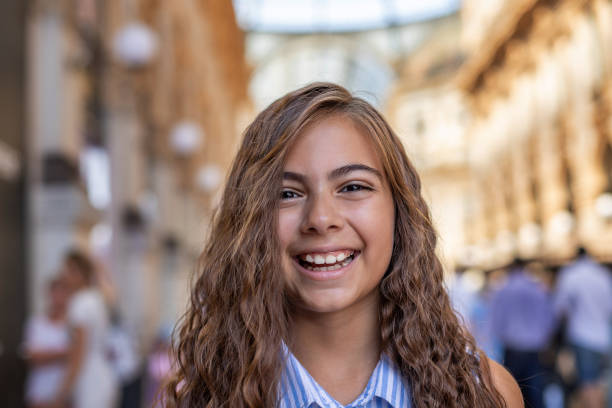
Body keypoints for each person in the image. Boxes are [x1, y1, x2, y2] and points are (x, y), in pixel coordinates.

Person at [165, 83, 523, 407]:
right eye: (287, 194)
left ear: (399, 211)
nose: (321, 218)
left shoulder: (485, 393)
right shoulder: (199, 401)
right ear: (250, 223)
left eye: (352, 187)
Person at [50, 249, 118, 408]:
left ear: (78, 273)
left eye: (67, 270)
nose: (63, 275)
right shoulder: (95, 298)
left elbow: (78, 352)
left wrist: (62, 393)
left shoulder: (80, 303)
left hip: (90, 380)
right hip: (102, 375)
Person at [490, 259, 556, 408]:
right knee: (535, 391)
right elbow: (549, 317)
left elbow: (496, 319)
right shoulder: (536, 289)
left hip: (513, 346)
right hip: (533, 347)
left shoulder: (504, 289)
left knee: (512, 389)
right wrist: (544, 339)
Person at [554, 248, 612, 408]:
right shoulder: (603, 275)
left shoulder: (571, 274)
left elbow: (560, 308)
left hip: (582, 337)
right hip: (603, 338)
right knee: (598, 383)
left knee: (587, 382)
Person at [23, 277, 70, 408]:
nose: (58, 298)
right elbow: (34, 357)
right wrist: (66, 353)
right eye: (55, 292)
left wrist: (48, 354)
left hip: (64, 396)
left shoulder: (73, 325)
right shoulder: (36, 323)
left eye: (63, 293)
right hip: (39, 394)